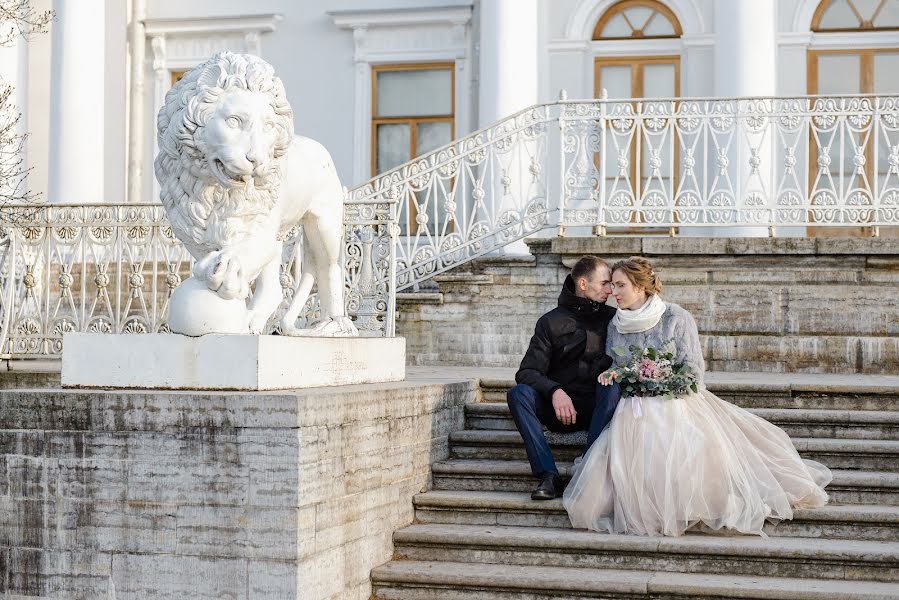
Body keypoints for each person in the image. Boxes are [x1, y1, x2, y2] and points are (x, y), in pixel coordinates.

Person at [562, 257, 832, 536]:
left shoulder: (675, 317)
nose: (613, 292)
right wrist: (614, 374)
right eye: (613, 285)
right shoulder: (616, 324)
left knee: (674, 430)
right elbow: (617, 365)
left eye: (620, 285)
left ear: (641, 286)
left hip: (676, 398)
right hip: (634, 403)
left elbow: (692, 371)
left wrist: (658, 380)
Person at [508, 255, 622, 500]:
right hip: (560, 411)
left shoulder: (614, 318)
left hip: (599, 409)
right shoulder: (550, 321)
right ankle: (548, 474)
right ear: (583, 284)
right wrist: (554, 391)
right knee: (518, 395)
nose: (610, 290)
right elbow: (526, 372)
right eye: (604, 283)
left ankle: (588, 470)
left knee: (612, 386)